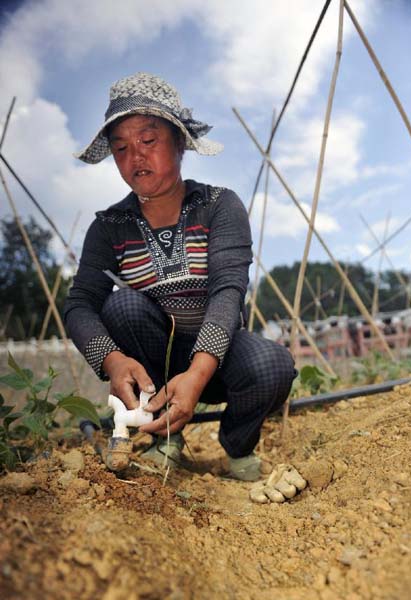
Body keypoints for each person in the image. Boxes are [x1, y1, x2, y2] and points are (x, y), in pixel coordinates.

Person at [64, 72, 297, 482]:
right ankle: (165, 437)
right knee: (122, 305)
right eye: (121, 148)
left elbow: (228, 290)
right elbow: (79, 303)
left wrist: (198, 373)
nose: (135, 157)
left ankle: (238, 447)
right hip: (157, 360)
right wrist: (112, 360)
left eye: (148, 141)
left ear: (178, 142)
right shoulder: (109, 227)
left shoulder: (219, 206)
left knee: (272, 365)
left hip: (219, 358)